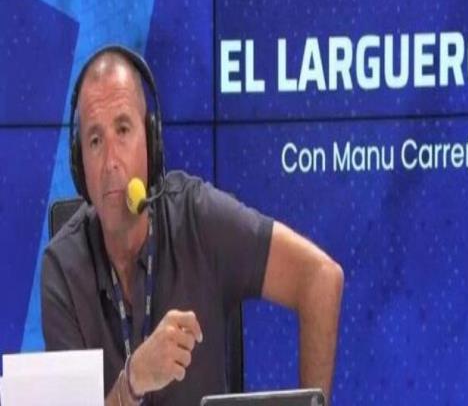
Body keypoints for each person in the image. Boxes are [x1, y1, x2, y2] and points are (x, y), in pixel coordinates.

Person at [41, 46, 344, 406]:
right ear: (79, 165)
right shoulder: (62, 269)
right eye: (95, 141)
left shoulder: (199, 218)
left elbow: (320, 277)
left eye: (123, 130)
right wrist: (132, 383)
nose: (110, 162)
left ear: (151, 140)